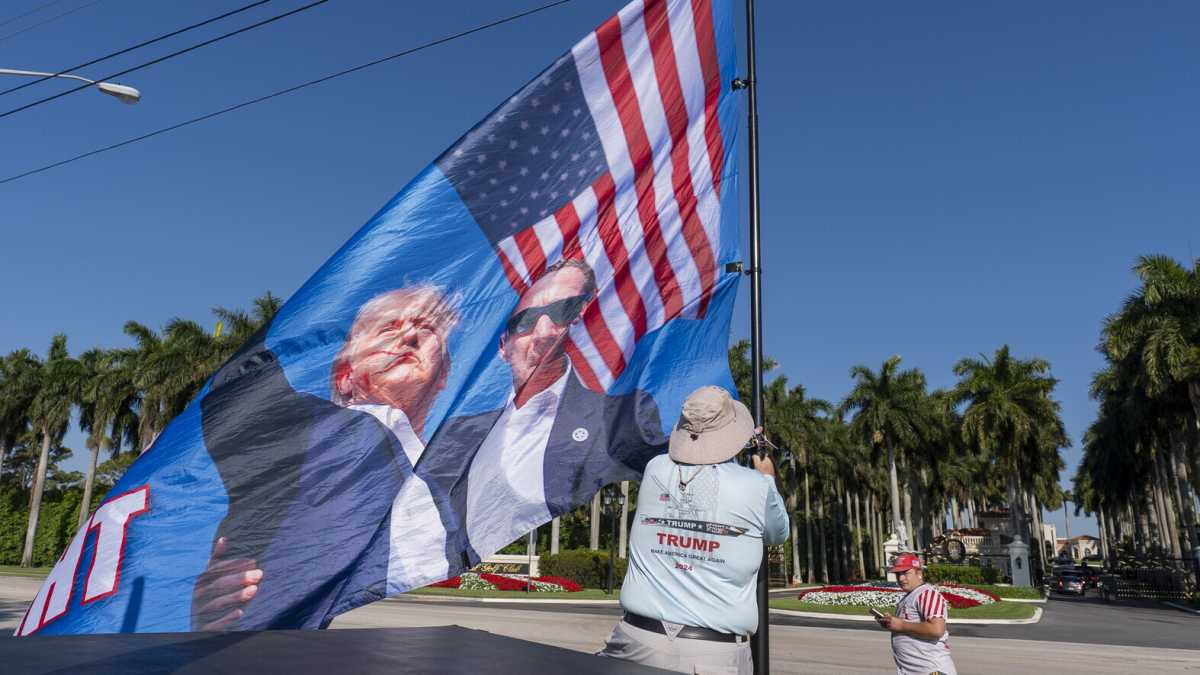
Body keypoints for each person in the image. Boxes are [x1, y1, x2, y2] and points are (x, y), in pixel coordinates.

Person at [192, 285, 460, 630]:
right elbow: (239, 390)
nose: (409, 335)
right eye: (388, 328)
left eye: (427, 328)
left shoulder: (456, 460)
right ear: (344, 376)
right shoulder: (306, 428)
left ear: (444, 375)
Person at [419, 258, 665, 571]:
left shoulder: (621, 417)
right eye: (526, 321)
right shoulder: (458, 435)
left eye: (564, 312)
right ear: (503, 346)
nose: (545, 332)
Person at [599, 385, 788, 675]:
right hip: (713, 654)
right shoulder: (757, 486)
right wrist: (765, 471)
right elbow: (778, 534)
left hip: (635, 641)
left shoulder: (654, 470)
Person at [875, 552, 958, 675]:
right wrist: (891, 623)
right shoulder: (911, 595)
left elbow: (936, 629)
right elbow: (908, 625)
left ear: (918, 573)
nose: (901, 578)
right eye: (898, 574)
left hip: (932, 670)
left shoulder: (927, 594)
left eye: (905, 573)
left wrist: (901, 625)